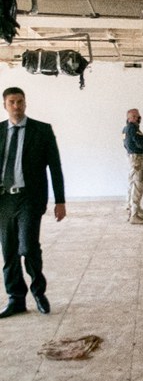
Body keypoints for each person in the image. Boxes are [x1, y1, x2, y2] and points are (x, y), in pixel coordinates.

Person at [0, 87, 66, 318]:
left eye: (20, 102)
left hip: (29, 198)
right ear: (5, 105)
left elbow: (55, 167)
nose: (16, 106)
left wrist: (60, 200)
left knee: (27, 247)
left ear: (25, 103)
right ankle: (16, 299)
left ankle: (39, 292)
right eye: (11, 102)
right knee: (8, 252)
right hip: (4, 200)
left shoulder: (42, 130)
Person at [122, 108, 143, 225]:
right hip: (137, 159)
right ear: (129, 118)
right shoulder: (132, 128)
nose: (138, 118)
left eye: (138, 115)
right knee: (138, 185)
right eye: (135, 116)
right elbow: (139, 143)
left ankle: (134, 209)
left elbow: (127, 144)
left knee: (133, 184)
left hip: (133, 157)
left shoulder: (126, 129)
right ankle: (134, 215)